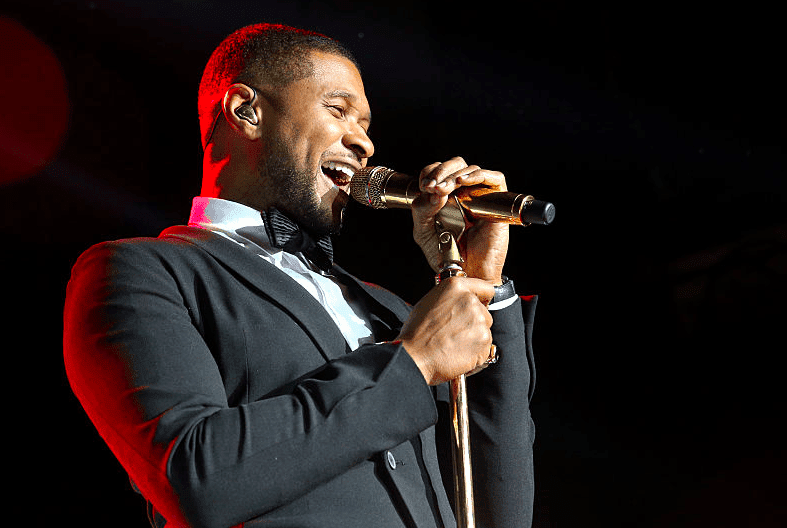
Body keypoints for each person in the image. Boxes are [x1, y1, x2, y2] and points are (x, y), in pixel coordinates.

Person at [63, 23, 537, 528]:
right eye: (338, 111)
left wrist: (481, 283)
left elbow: (499, 509)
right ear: (247, 110)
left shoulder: (390, 309)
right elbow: (194, 476)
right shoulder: (139, 272)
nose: (365, 143)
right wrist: (412, 363)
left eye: (367, 123)